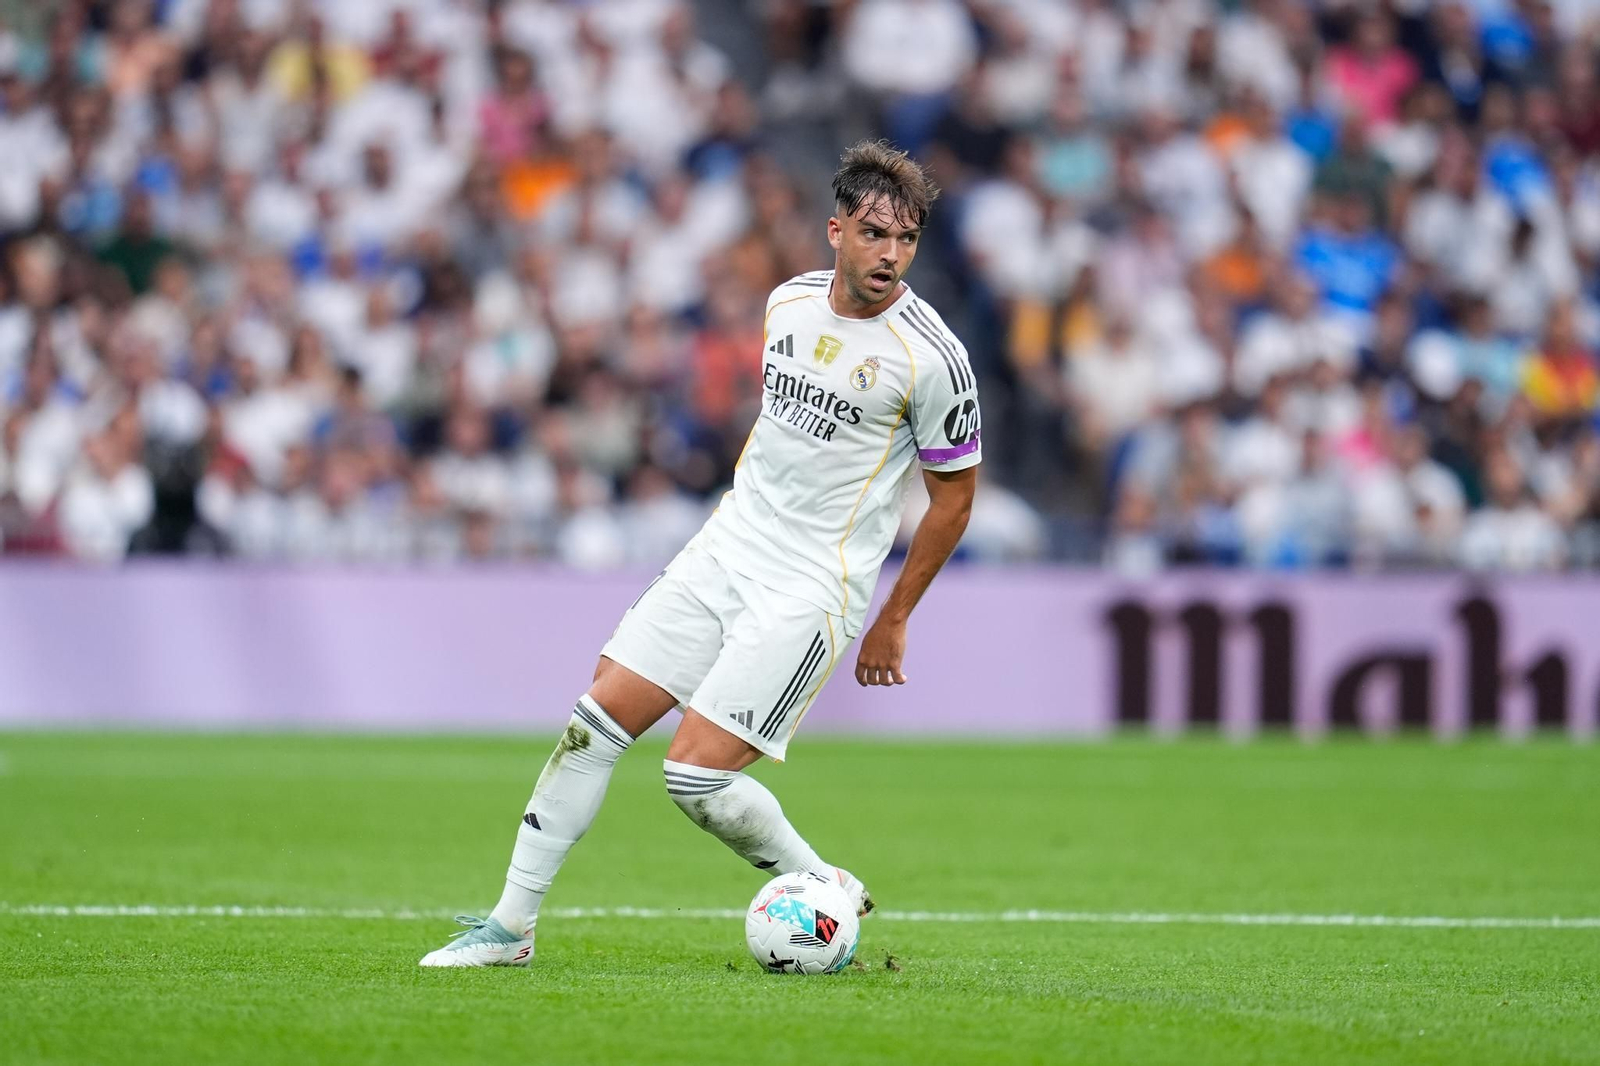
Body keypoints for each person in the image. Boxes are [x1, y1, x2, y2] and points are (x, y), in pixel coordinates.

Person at [419, 140, 982, 967]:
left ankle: (818, 885)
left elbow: (955, 498)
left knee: (693, 779)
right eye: (873, 234)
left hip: (808, 585)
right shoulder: (787, 303)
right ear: (835, 231)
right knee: (592, 724)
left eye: (905, 240)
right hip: (724, 549)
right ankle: (509, 929)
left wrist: (895, 616)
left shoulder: (933, 358)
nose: (889, 255)